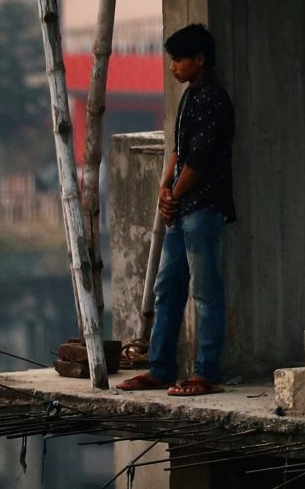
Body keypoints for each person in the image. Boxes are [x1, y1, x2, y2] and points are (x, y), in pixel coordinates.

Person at [119, 24, 234, 397]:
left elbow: (199, 161)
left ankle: (205, 373)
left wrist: (173, 194)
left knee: (205, 291)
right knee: (166, 289)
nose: (173, 67)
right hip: (183, 209)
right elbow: (177, 149)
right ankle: (161, 368)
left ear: (199, 60)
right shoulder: (188, 98)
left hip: (204, 208)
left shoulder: (215, 99)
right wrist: (164, 189)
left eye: (179, 60)